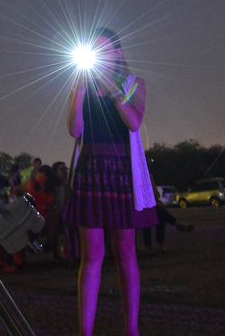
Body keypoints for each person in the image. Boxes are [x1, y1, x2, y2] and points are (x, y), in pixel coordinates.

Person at [64, 28, 157, 336]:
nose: (101, 58)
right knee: (92, 255)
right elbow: (75, 130)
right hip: (90, 169)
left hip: (121, 171)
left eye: (105, 51)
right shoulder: (82, 85)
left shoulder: (134, 84)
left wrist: (114, 91)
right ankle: (85, 331)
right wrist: (78, 90)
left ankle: (132, 329)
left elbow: (134, 122)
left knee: (126, 252)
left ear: (118, 53)